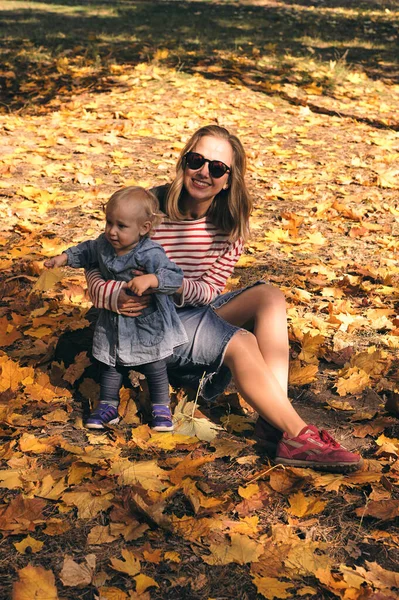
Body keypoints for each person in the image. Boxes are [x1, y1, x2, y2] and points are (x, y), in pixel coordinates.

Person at [84, 125, 362, 472]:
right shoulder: (148, 209)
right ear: (183, 162)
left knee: (270, 297)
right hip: (146, 327)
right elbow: (97, 262)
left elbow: (209, 290)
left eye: (217, 168)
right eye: (196, 160)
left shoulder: (229, 224)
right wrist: (113, 297)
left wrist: (172, 284)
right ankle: (297, 435)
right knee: (241, 342)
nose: (204, 172)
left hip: (189, 309)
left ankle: (273, 420)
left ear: (229, 179)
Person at [44, 186, 188, 431]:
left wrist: (151, 280)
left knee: (155, 365)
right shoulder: (103, 244)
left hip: (146, 323)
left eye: (121, 226)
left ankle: (161, 407)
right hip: (114, 321)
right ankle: (108, 405)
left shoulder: (149, 253)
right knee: (111, 364)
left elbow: (174, 277)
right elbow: (86, 250)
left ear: (143, 228)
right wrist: (64, 258)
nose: (112, 231)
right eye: (108, 222)